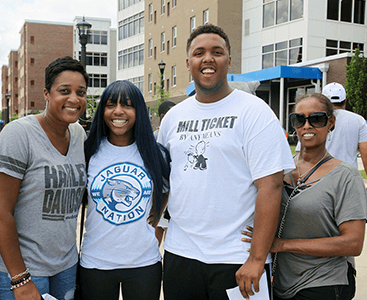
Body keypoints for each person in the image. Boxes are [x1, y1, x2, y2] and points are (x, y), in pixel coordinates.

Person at [157, 24, 295, 299]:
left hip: (237, 257)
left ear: (228, 61)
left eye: (217, 52)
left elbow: (271, 187)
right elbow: (166, 183)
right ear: (188, 63)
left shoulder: (254, 111)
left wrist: (257, 259)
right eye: (199, 53)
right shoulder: (173, 118)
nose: (208, 59)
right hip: (180, 254)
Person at [243, 93, 367, 300]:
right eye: (299, 119)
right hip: (281, 283)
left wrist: (281, 244)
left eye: (317, 118)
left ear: (331, 122)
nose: (307, 126)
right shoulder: (280, 170)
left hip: (324, 282)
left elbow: (352, 243)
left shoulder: (346, 176)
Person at [0, 56, 88, 300]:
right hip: (20, 269)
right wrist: (20, 278)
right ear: (46, 94)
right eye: (64, 91)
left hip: (65, 266)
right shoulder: (19, 135)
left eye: (80, 92)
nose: (74, 99)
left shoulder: (79, 135)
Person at [79, 80, 170, 300]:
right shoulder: (89, 151)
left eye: (127, 105)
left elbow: (165, 188)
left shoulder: (155, 153)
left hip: (144, 262)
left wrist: (157, 215)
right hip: (96, 262)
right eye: (111, 105)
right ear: (103, 110)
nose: (118, 111)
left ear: (138, 110)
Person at [296, 82, 367, 203]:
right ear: (345, 101)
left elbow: (300, 152)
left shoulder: (313, 119)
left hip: (316, 180)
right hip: (347, 181)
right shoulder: (358, 120)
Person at [153, 100, 175, 246]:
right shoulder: (155, 135)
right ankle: (154, 252)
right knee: (159, 226)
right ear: (163, 116)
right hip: (163, 187)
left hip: (174, 190)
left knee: (169, 227)